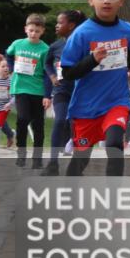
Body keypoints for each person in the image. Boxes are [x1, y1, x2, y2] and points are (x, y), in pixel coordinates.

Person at [61, 0, 130, 177]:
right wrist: (92, 60)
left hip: (117, 101)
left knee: (114, 145)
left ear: (121, 1)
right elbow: (67, 73)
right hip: (86, 108)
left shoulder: (127, 30)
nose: (107, 1)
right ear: (91, 0)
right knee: (81, 159)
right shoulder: (81, 34)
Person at [41, 10, 86, 175]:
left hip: (80, 92)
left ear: (71, 25)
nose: (56, 26)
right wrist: (53, 76)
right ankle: (52, 164)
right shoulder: (55, 46)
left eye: (60, 23)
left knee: (78, 127)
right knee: (60, 121)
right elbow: (46, 64)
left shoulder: (84, 44)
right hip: (61, 90)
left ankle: (77, 165)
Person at [5, 13, 50, 168]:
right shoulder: (18, 44)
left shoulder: (45, 49)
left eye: (37, 31)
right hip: (20, 88)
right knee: (23, 119)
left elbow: (47, 73)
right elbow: (8, 54)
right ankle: (21, 154)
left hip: (38, 90)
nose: (33, 34)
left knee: (38, 125)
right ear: (26, 29)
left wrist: (47, 94)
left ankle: (37, 159)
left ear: (42, 31)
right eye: (31, 30)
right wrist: (11, 68)